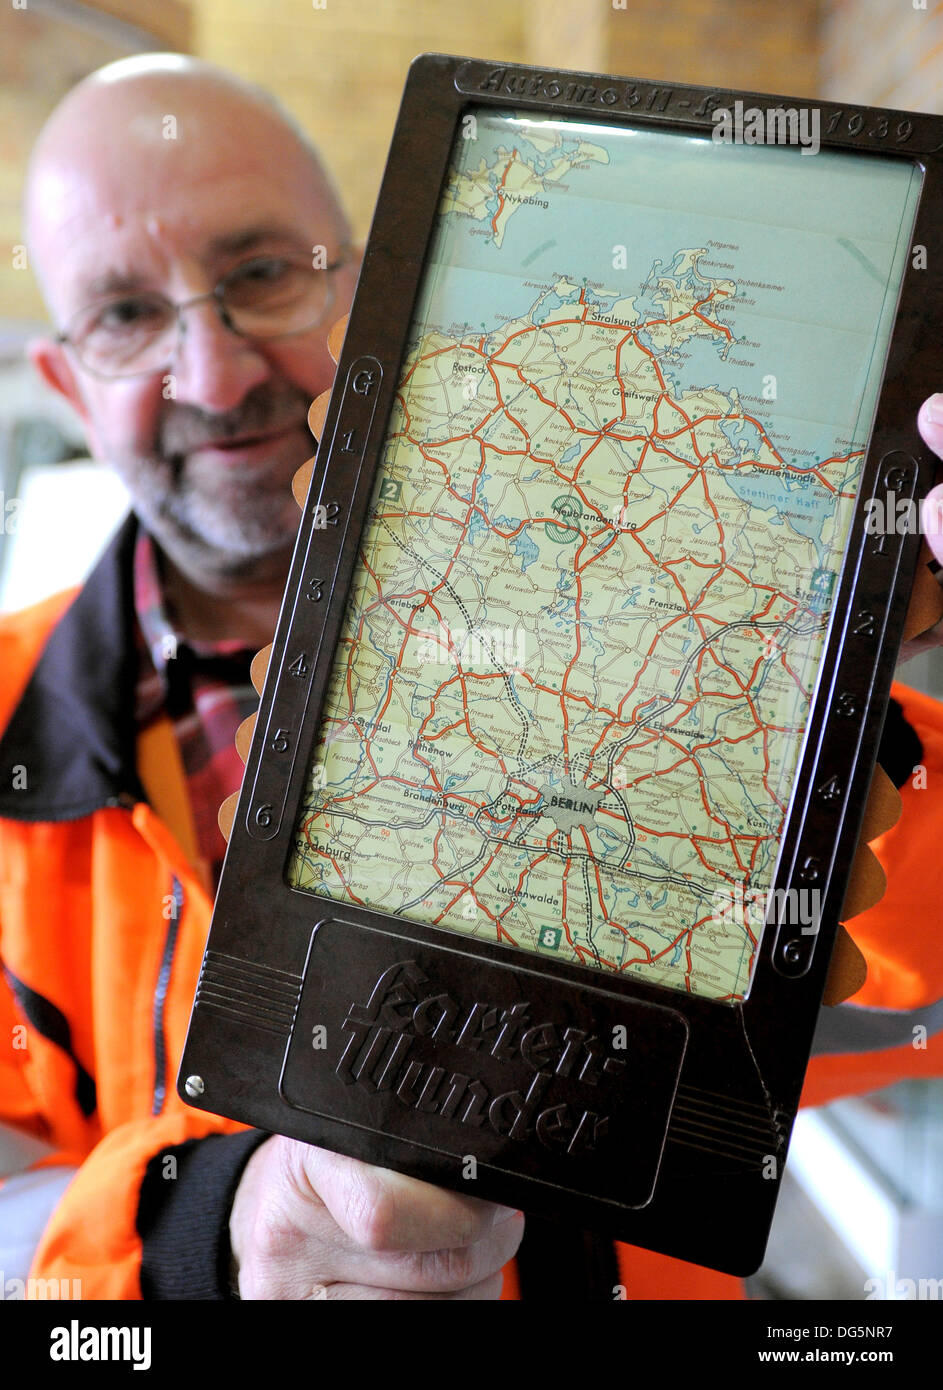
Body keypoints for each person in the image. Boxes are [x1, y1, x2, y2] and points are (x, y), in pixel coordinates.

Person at [1, 53, 942, 1302]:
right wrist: (203, 1236)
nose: (216, 377)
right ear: (65, 378)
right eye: (125, 314)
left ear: (382, 277)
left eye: (263, 274)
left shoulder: (719, 643)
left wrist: (807, 698)